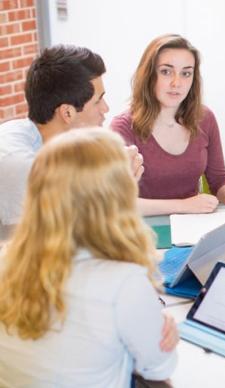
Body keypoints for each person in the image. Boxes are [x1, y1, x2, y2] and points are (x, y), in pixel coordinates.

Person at [0, 129, 178, 386]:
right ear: (113, 197)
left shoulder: (7, 263)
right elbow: (160, 369)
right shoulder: (123, 283)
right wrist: (164, 327)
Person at [111, 34, 225, 216]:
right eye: (166, 71)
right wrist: (184, 205)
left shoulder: (205, 118)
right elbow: (117, 202)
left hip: (193, 227)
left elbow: (219, 180)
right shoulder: (122, 127)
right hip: (143, 232)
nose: (176, 83)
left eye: (186, 73)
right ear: (149, 75)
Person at [0, 44, 143, 226]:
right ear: (67, 113)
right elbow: (61, 240)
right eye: (98, 101)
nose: (105, 108)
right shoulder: (20, 165)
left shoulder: (53, 146)